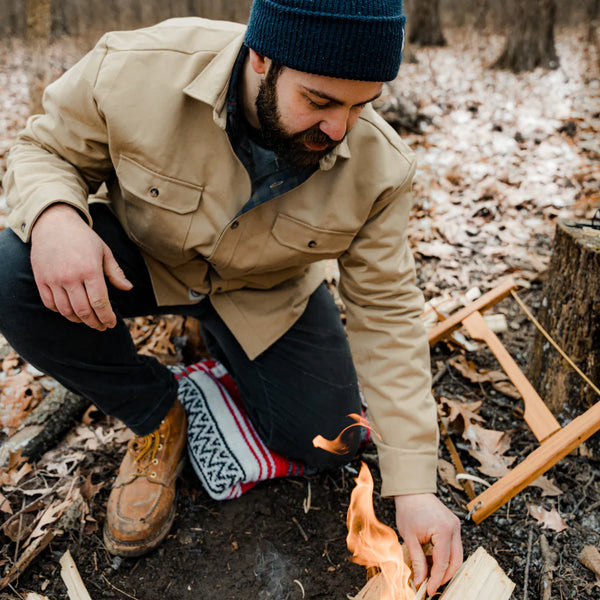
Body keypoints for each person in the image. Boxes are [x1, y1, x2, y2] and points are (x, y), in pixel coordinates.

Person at [0, 0, 462, 594]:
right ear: (261, 57)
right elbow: (42, 149)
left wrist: (414, 486)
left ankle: (214, 341)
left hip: (263, 294)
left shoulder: (381, 167)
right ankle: (155, 410)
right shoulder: (137, 68)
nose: (339, 129)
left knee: (326, 441)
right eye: (320, 101)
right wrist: (57, 216)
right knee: (12, 272)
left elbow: (387, 311)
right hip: (140, 260)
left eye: (360, 104)